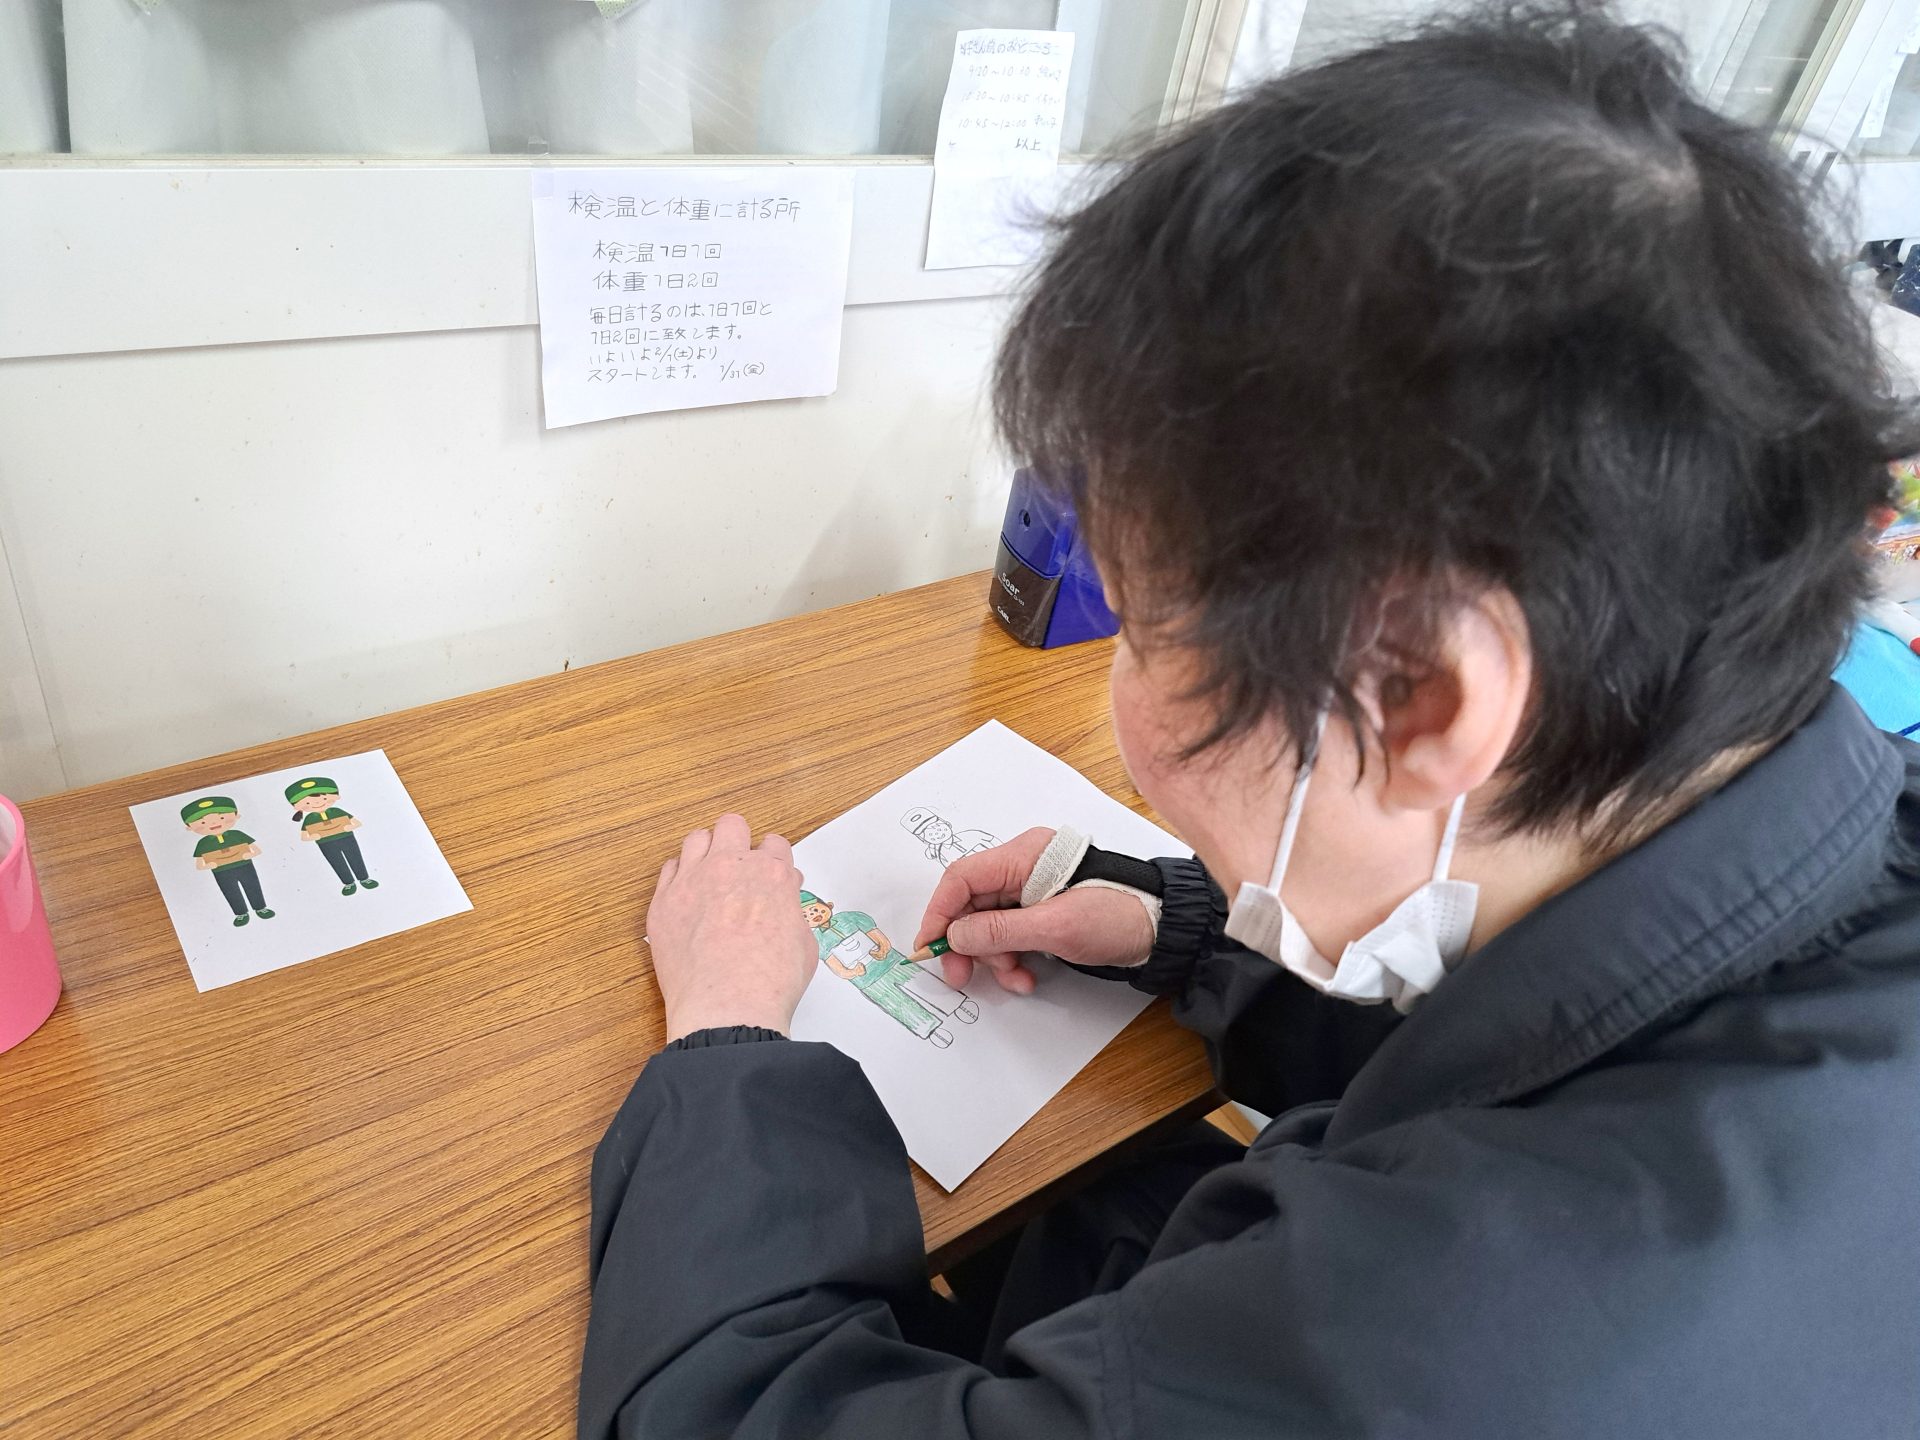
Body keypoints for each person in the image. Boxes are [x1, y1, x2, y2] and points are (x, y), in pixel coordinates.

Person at [579, 8, 1920, 1437]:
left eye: (1141, 627)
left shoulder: (1434, 1348)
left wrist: (730, 1040)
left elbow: (738, 1415)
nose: (1121, 685)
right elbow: (1547, 1020)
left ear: (1425, 698)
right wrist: (1183, 935)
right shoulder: (1814, 848)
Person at [802, 889, 977, 1044]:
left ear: (828, 905)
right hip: (869, 981)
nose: (813, 915)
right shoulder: (818, 941)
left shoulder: (851, 917)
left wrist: (883, 949)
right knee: (897, 1004)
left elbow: (877, 936)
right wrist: (852, 972)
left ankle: (956, 1004)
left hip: (892, 962)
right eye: (806, 916)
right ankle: (929, 1029)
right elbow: (835, 966)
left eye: (815, 909)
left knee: (920, 980)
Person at [182, 795, 275, 928]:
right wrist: (208, 865)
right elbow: (199, 864)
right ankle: (241, 913)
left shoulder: (237, 835)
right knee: (230, 891)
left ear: (237, 816)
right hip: (221, 871)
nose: (213, 824)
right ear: (189, 827)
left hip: (245, 866)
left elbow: (256, 850)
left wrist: (250, 854)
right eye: (203, 823)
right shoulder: (203, 843)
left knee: (252, 886)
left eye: (221, 818)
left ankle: (260, 907)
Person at [286, 776, 379, 896]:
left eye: (324, 798)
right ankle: (348, 883)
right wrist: (312, 837)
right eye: (307, 803)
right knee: (336, 862)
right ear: (297, 807)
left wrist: (349, 827)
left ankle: (364, 878)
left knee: (355, 857)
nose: (318, 803)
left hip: (347, 838)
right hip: (326, 843)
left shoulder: (337, 811)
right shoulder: (309, 818)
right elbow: (304, 836)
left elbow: (357, 823)